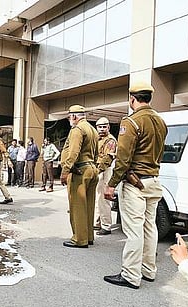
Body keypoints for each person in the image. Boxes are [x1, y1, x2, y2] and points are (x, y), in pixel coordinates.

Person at [103, 82, 167, 289]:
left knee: (134, 230)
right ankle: (149, 270)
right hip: (154, 181)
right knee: (150, 226)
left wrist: (111, 184)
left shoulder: (131, 122)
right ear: (149, 98)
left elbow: (123, 159)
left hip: (135, 183)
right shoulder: (160, 121)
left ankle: (131, 275)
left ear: (132, 99)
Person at [60, 104, 98, 248]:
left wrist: (65, 171)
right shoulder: (92, 129)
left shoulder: (77, 129)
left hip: (80, 170)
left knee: (78, 206)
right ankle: (88, 236)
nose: (70, 119)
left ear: (74, 116)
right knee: (88, 205)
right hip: (91, 169)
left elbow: (73, 152)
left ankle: (79, 239)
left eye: (70, 116)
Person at [94, 117, 117, 235]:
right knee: (98, 198)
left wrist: (97, 170)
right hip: (99, 169)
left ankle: (106, 225)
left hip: (105, 169)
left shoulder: (110, 140)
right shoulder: (97, 139)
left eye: (104, 126)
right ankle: (98, 222)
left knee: (104, 199)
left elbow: (107, 158)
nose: (102, 129)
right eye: (100, 127)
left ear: (108, 127)